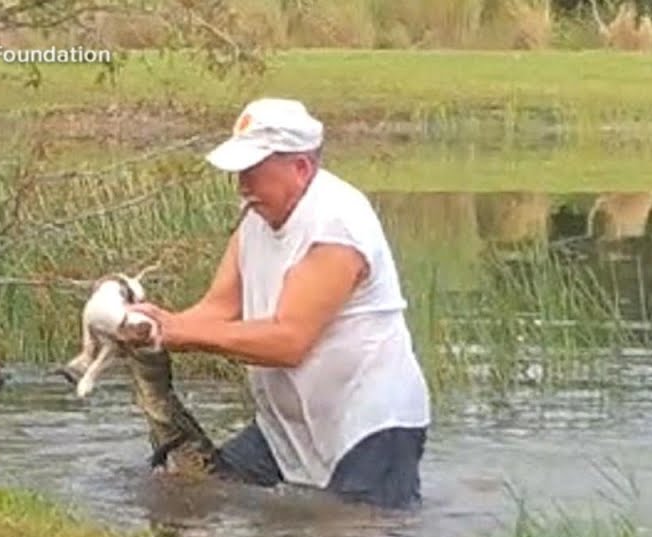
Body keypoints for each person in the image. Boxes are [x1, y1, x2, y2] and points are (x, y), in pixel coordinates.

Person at [125, 97, 431, 510]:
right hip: (285, 427)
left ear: (301, 168)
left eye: (253, 170)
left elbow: (289, 341)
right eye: (239, 171)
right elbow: (216, 310)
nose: (242, 184)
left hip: (370, 426)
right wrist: (149, 326)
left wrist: (176, 332)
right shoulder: (256, 218)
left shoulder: (337, 226)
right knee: (192, 493)